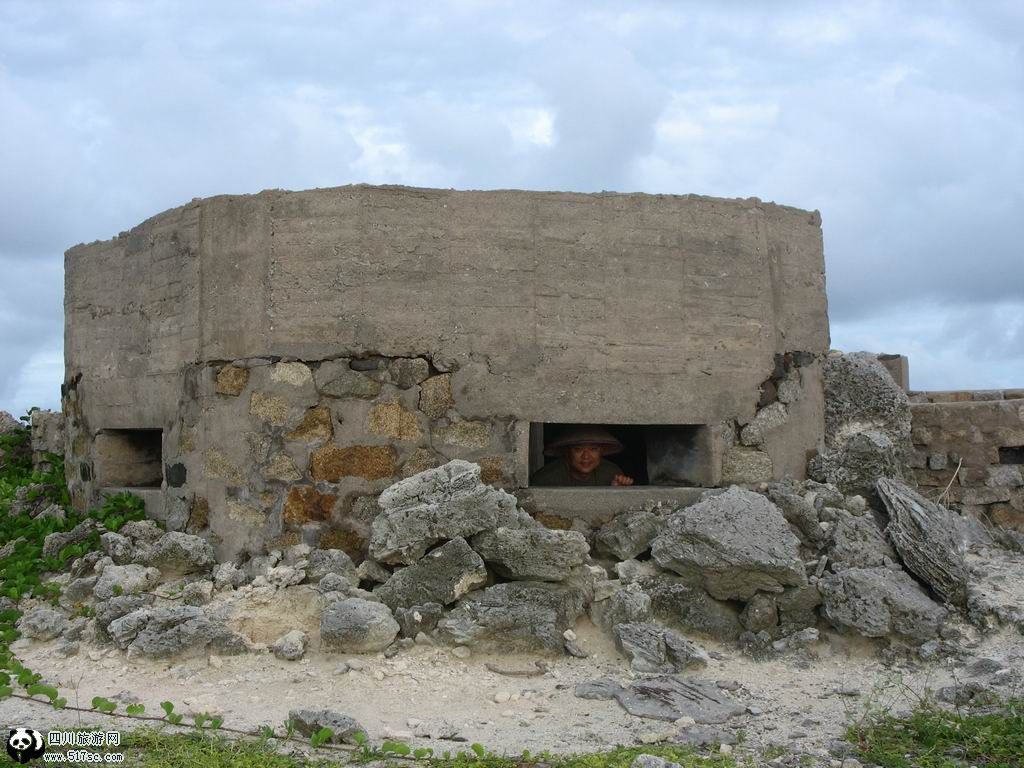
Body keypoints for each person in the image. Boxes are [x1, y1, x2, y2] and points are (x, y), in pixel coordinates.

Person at [530, 426, 635, 486]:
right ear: (567, 453)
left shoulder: (612, 473)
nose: (586, 456)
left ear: (601, 452)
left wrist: (617, 491)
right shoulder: (545, 479)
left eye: (593, 449)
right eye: (578, 449)